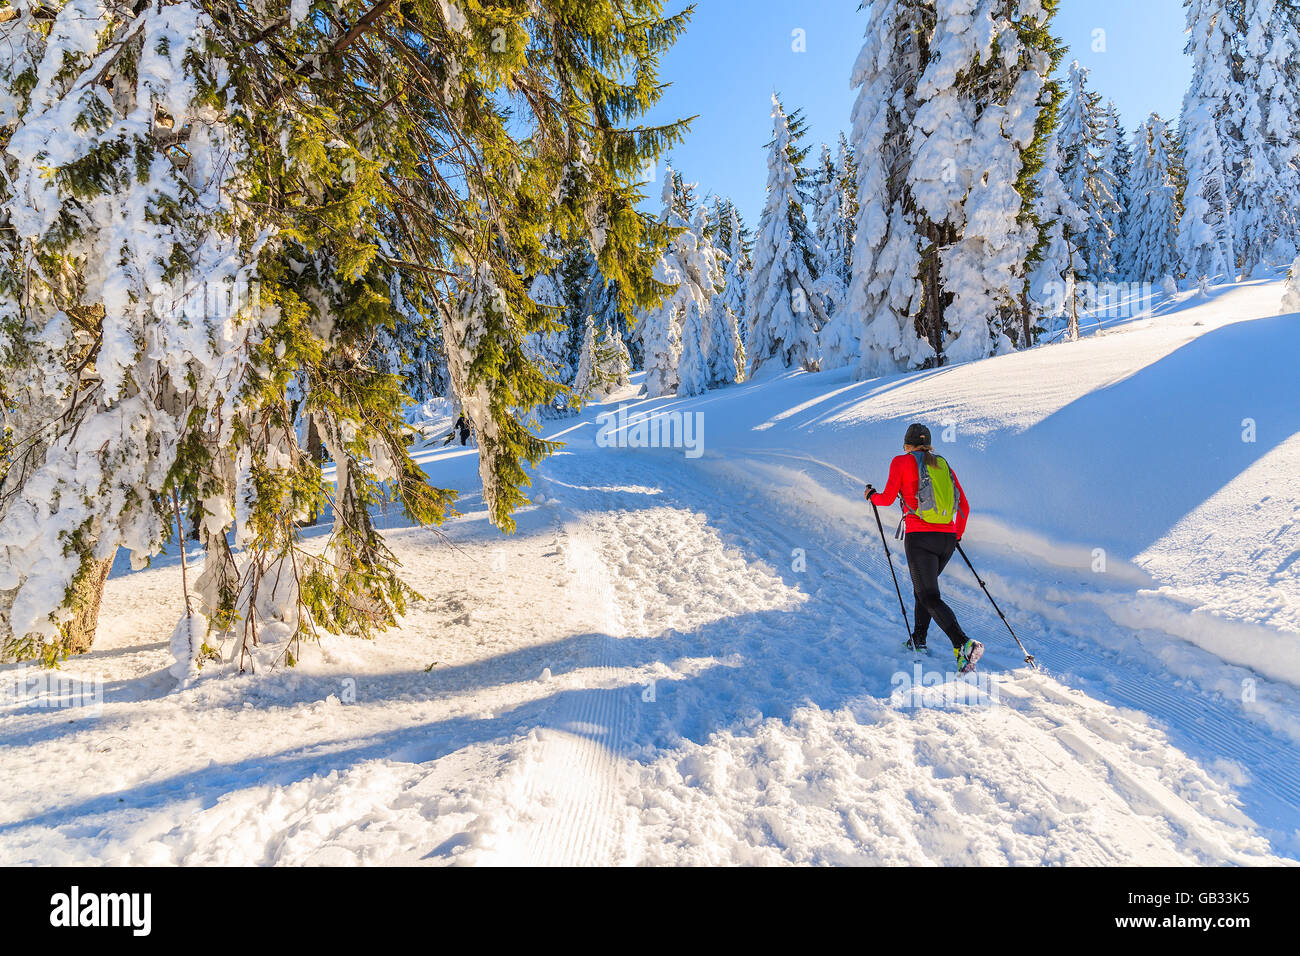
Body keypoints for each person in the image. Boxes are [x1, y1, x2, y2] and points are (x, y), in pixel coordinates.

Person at [864, 423, 984, 674]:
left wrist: (871, 496)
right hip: (947, 540)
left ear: (907, 445)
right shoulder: (943, 464)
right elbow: (964, 507)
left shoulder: (901, 462)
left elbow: (886, 498)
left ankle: (963, 644)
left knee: (929, 595)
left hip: (920, 538)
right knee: (924, 590)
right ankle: (919, 639)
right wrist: (956, 534)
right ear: (928, 444)